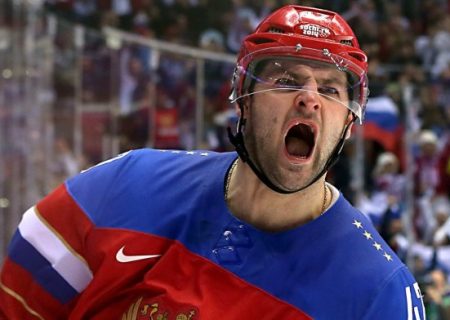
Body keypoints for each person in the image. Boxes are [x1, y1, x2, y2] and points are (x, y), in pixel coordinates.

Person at [0, 5, 425, 319]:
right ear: (243, 99)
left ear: (350, 123)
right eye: (286, 80)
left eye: (331, 90)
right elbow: (19, 300)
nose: (309, 99)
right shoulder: (126, 187)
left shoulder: (379, 293)